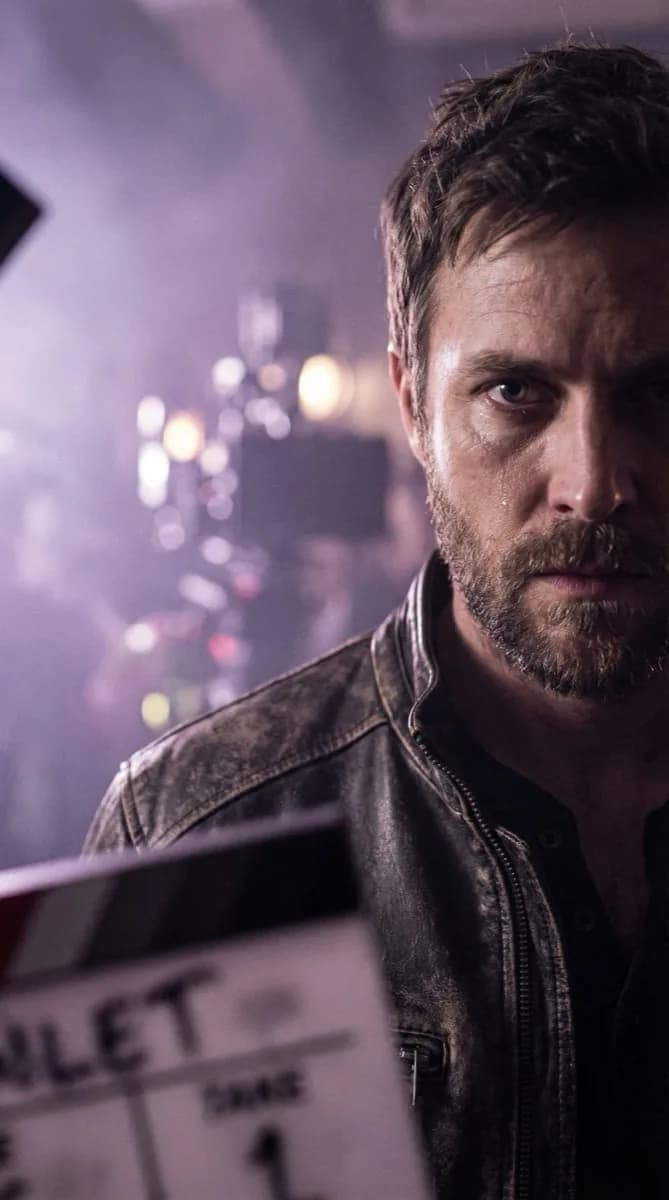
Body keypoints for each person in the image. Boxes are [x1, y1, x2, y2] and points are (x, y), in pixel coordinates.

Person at [84, 42, 669, 1198]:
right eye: (515, 393)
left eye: (663, 393)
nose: (594, 483)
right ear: (411, 404)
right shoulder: (199, 833)